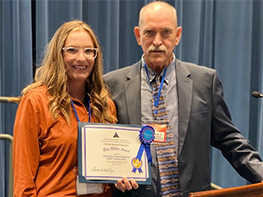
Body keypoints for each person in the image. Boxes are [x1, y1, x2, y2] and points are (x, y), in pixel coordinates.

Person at [103, 2, 263, 197]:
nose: (157, 41)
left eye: (166, 33)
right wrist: (112, 175)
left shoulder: (205, 81)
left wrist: (260, 173)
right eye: (150, 32)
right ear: (138, 35)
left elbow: (230, 140)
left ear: (177, 35)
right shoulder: (112, 84)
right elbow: (105, 145)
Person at [13, 20, 117, 196]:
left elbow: (110, 171)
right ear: (58, 55)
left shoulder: (105, 106)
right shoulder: (36, 102)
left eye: (89, 51)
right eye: (72, 50)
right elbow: (23, 179)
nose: (81, 58)